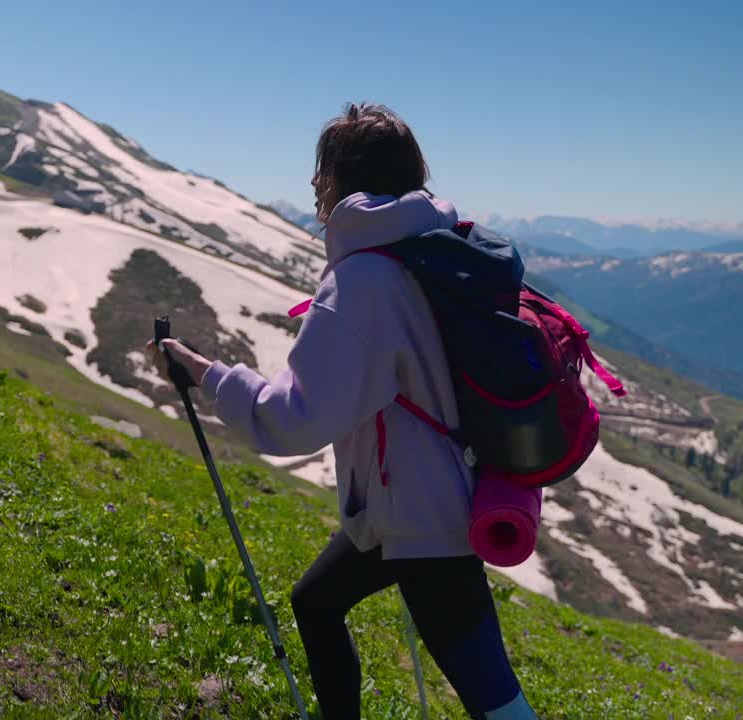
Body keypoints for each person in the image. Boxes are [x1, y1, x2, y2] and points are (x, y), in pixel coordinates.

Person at [147, 104, 535, 719]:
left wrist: (201, 371)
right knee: (316, 602)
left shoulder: (364, 281)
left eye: (321, 171)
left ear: (342, 180)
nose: (312, 185)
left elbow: (293, 418)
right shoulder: (427, 249)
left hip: (422, 521)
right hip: (406, 505)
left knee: (496, 701)